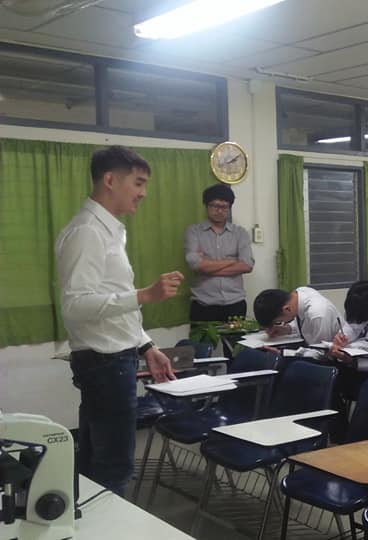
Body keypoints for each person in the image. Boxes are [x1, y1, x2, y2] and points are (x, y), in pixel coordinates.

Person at [56, 145, 183, 495]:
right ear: (110, 180)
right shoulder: (88, 232)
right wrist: (144, 295)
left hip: (115, 360)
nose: (143, 193)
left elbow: (113, 299)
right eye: (138, 183)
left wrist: (147, 347)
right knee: (113, 468)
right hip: (105, 364)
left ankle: (92, 519)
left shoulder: (111, 231)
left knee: (98, 463)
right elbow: (75, 306)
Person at [184, 184, 254, 323]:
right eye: (215, 206)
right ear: (206, 206)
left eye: (224, 207)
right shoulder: (193, 232)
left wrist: (207, 265)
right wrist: (232, 261)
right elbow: (194, 264)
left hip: (235, 304)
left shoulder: (240, 233)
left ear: (229, 208)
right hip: (203, 304)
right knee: (201, 339)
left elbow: (247, 265)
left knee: (236, 338)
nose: (220, 210)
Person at [252, 287, 341, 345]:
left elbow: (320, 350)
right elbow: (306, 324)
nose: (282, 323)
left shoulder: (317, 315)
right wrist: (288, 329)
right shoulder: (298, 295)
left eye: (278, 322)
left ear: (287, 309)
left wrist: (285, 353)